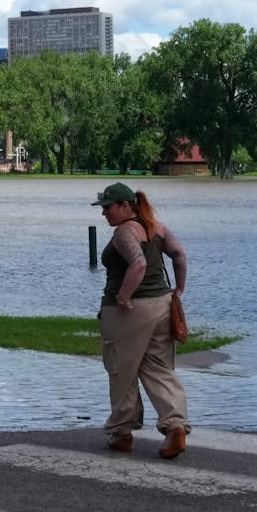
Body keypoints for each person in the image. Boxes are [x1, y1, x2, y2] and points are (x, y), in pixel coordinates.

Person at [92, 182, 190, 458]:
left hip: (130, 311)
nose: (104, 214)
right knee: (159, 366)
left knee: (121, 368)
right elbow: (179, 255)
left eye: (108, 207)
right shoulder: (156, 226)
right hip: (162, 305)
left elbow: (139, 264)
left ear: (126, 206)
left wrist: (124, 297)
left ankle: (122, 433)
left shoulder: (125, 231)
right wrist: (179, 291)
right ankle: (175, 427)